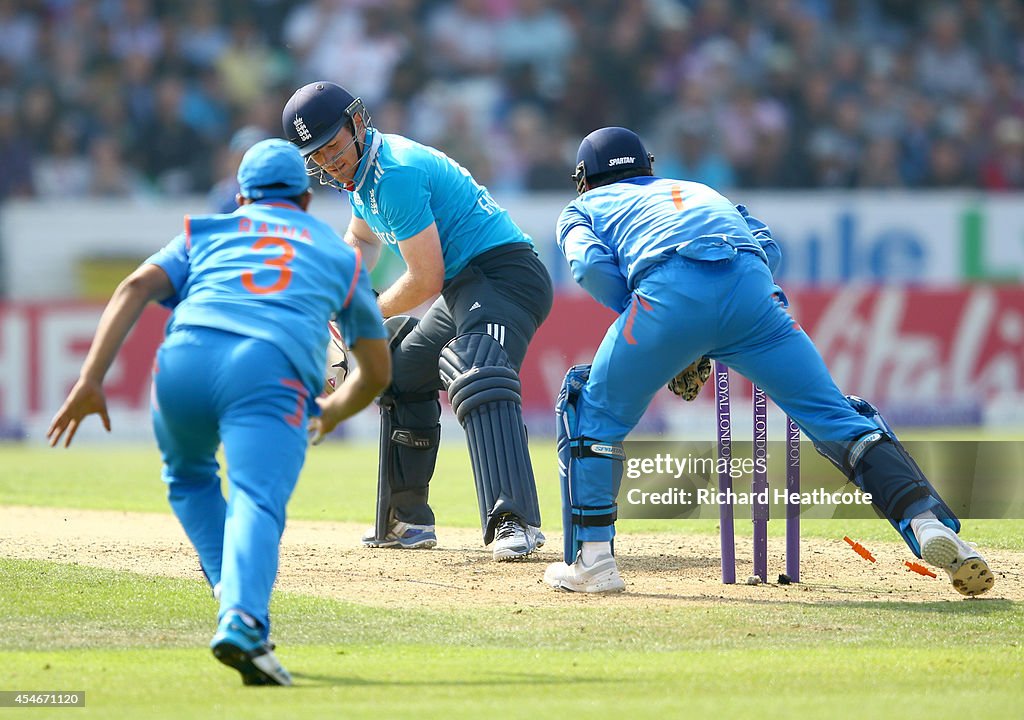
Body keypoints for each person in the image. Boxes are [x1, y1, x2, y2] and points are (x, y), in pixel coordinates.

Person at [544, 126, 996, 597]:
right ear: (649, 166)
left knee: (592, 411)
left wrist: (664, 330)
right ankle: (926, 524)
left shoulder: (581, 208)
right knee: (838, 416)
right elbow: (767, 246)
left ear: (584, 178)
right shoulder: (701, 190)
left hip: (665, 297)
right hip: (753, 294)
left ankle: (594, 561)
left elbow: (590, 267)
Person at [47, 139, 391, 684]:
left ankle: (231, 596)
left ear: (240, 195)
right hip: (267, 369)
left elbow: (135, 286)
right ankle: (244, 619)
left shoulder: (206, 231)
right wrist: (332, 411)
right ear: (305, 198)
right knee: (257, 497)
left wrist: (90, 379)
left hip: (181, 362)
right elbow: (375, 371)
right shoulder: (336, 253)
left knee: (187, 477)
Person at [282, 81, 554, 561]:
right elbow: (362, 242)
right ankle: (407, 522)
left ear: (358, 122)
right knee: (403, 371)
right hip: (466, 288)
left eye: (332, 144)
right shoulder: (362, 179)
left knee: (475, 367)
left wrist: (359, 315)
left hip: (505, 276)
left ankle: (515, 522)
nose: (327, 159)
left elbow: (426, 279)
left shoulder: (395, 175)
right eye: (316, 153)